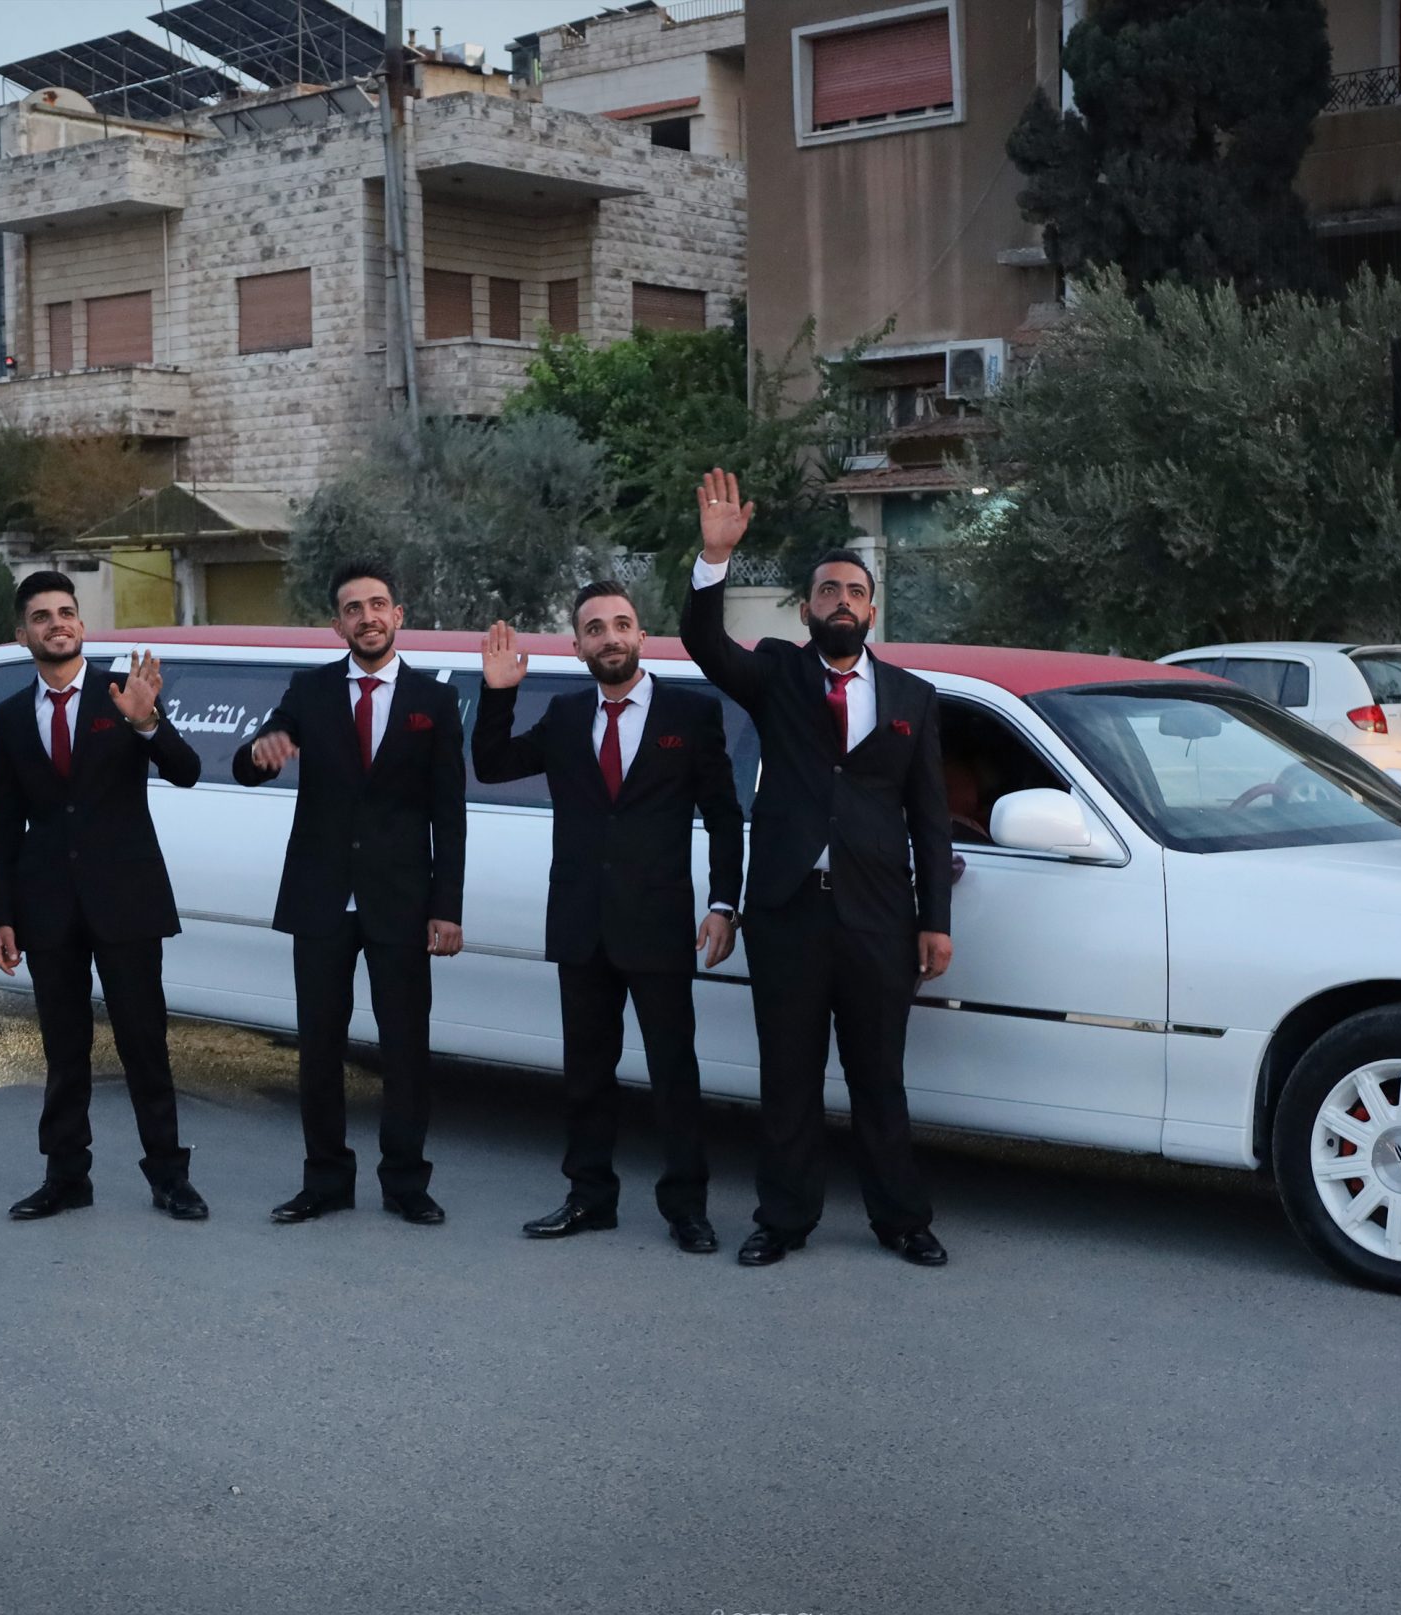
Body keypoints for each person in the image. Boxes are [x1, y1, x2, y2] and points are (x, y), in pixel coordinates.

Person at [679, 470, 956, 1269]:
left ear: (872, 611)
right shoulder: (776, 674)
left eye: (854, 592)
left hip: (879, 918)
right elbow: (704, 645)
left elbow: (930, 819)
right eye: (828, 590)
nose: (841, 600)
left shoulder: (913, 697)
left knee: (880, 1078)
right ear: (806, 610)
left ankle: (901, 1219)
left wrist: (934, 921)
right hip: (789, 911)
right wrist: (714, 558)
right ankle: (783, 1217)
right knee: (789, 1076)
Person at [471, 583, 744, 1254]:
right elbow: (492, 764)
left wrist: (723, 903)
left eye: (621, 624)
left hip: (659, 924)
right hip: (581, 923)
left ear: (641, 636)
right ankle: (589, 1197)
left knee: (673, 1073)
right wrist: (498, 693)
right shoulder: (565, 715)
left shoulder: (692, 713)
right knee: (586, 1073)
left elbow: (723, 815)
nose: (610, 636)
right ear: (578, 647)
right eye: (594, 628)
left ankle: (687, 1207)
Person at [234, 564, 466, 1226]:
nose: (367, 617)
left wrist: (446, 907)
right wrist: (262, 751)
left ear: (398, 615)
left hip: (402, 901)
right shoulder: (308, 691)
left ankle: (405, 1182)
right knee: (318, 1048)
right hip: (322, 897)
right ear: (337, 624)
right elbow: (248, 765)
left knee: (405, 1049)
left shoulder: (434, 700)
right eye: (353, 608)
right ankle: (326, 1179)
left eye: (378, 604)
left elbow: (449, 813)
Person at [0, 570, 209, 1222]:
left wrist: (147, 722)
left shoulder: (123, 693)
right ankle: (66, 1176)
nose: (56, 624)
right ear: (23, 634)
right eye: (42, 616)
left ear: (81, 624)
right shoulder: (6, 717)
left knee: (144, 1043)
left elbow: (187, 771)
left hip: (127, 899)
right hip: (47, 905)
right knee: (63, 1048)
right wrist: (2, 914)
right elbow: (5, 823)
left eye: (66, 613)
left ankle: (169, 1175)